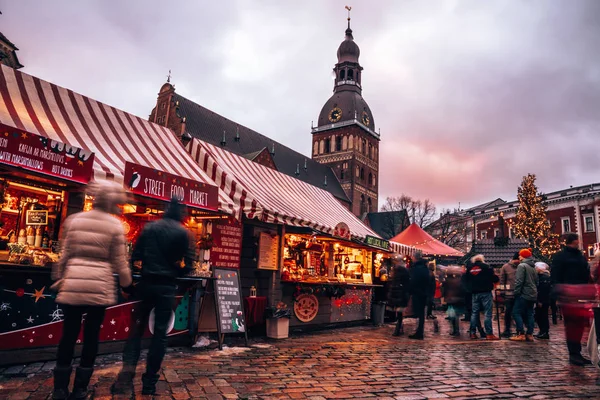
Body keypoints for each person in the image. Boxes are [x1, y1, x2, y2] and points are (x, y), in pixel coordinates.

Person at [51, 181, 132, 400]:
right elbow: (120, 262)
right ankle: (80, 389)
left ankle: (59, 389)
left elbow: (64, 255)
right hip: (98, 287)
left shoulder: (74, 220)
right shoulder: (114, 226)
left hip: (73, 284)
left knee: (68, 335)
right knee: (91, 337)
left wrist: (59, 278)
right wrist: (127, 285)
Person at [112, 198, 195, 395]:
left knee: (136, 332)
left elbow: (135, 257)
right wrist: (175, 272)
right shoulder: (184, 234)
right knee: (160, 336)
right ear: (180, 214)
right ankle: (149, 382)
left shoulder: (150, 228)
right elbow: (189, 266)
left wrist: (137, 278)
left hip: (147, 284)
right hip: (166, 288)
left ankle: (126, 378)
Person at [552, 233, 594, 366]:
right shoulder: (562, 257)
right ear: (574, 241)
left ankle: (577, 353)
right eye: (577, 240)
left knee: (580, 324)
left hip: (580, 292)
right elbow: (556, 275)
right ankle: (574, 353)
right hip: (568, 294)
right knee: (572, 325)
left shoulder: (578, 256)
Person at [467, 255, 499, 340]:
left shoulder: (470, 269)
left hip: (474, 293)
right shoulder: (487, 267)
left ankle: (472, 333)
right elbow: (495, 279)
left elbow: (466, 280)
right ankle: (489, 334)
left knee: (474, 313)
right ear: (482, 260)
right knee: (487, 313)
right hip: (485, 292)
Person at [510, 249, 538, 342]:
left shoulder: (522, 266)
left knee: (516, 312)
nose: (519, 256)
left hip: (524, 293)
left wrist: (516, 292)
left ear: (524, 256)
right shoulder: (533, 266)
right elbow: (536, 281)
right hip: (532, 293)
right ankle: (530, 334)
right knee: (530, 313)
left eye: (520, 255)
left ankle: (520, 333)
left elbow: (519, 281)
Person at [387, 255, 411, 336]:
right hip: (397, 294)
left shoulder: (401, 271)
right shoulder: (397, 270)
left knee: (399, 313)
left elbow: (405, 284)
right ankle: (399, 328)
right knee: (398, 313)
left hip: (400, 294)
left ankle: (398, 329)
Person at [408, 251, 430, 340]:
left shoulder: (416, 268)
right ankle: (419, 331)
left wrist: (410, 291)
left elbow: (413, 281)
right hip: (423, 293)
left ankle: (419, 332)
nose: (412, 258)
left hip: (418, 293)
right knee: (421, 314)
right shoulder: (425, 268)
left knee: (418, 313)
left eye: (412, 257)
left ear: (415, 258)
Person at [500, 253, 520, 337]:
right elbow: (502, 280)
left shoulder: (522, 266)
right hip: (509, 294)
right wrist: (502, 291)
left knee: (518, 312)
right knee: (508, 312)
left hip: (519, 293)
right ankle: (507, 329)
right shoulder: (505, 267)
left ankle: (519, 329)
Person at [444, 266, 465, 336]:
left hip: (453, 299)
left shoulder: (450, 280)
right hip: (457, 299)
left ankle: (456, 330)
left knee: (454, 316)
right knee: (455, 315)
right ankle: (456, 330)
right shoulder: (459, 280)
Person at [534, 262, 552, 339]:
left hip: (543, 300)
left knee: (542, 316)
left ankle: (544, 332)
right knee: (540, 316)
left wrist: (540, 300)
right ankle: (542, 331)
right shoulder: (544, 277)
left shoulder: (543, 278)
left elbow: (543, 290)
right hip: (544, 299)